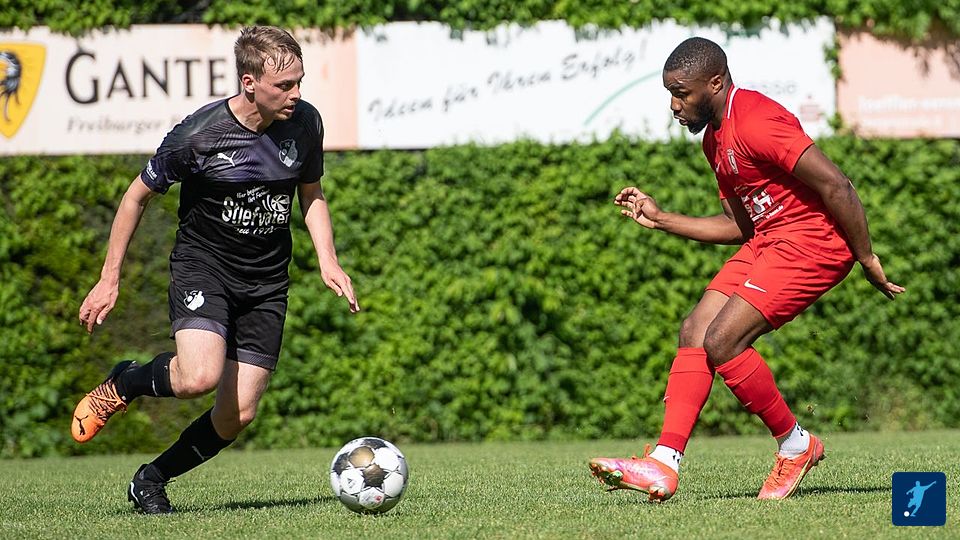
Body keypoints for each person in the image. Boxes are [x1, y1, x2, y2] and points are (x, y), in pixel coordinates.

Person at [588, 37, 904, 502]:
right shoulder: (714, 139)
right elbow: (741, 225)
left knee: (723, 340)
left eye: (682, 93)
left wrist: (866, 256)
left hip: (812, 244)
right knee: (695, 330)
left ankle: (795, 446)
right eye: (670, 94)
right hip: (768, 239)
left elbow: (837, 184)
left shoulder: (757, 120)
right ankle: (663, 463)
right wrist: (662, 219)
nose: (674, 106)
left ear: (715, 83)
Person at [71, 25, 359, 514]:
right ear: (250, 82)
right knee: (198, 377)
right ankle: (127, 383)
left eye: (299, 82)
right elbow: (136, 196)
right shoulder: (199, 135)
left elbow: (311, 194)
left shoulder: (306, 123)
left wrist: (327, 260)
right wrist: (108, 278)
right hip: (204, 268)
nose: (296, 93)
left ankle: (150, 480)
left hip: (266, 283)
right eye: (284, 85)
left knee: (236, 414)